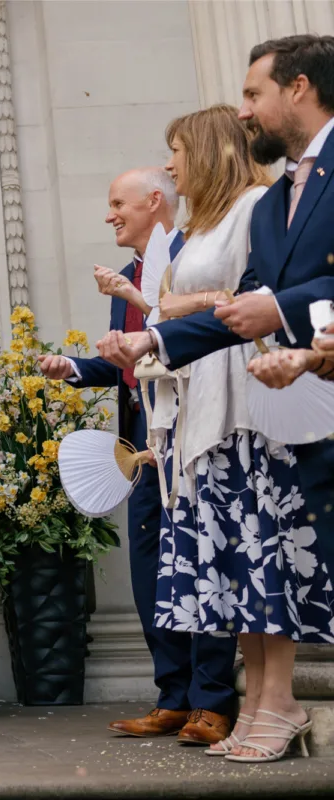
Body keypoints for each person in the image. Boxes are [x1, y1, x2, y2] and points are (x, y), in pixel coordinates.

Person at [101, 35, 334, 565]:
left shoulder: (259, 201)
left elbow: (264, 300)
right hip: (275, 404)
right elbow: (251, 299)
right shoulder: (274, 201)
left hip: (266, 403)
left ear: (298, 88)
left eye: (253, 95)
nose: (243, 111)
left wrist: (275, 311)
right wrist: (153, 337)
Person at [153, 105, 331, 764]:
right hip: (208, 401)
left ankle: (279, 697)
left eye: (177, 150)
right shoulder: (199, 225)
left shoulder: (257, 206)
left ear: (207, 152)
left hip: (254, 398)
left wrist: (190, 305)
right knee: (235, 564)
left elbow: (260, 296)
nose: (169, 165)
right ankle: (256, 699)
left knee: (265, 554)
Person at [39, 168, 238, 745]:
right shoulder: (127, 275)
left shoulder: (191, 262)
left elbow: (194, 339)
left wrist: (140, 305)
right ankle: (172, 698)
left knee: (200, 567)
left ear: (154, 201)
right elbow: (132, 363)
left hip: (194, 437)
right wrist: (75, 368)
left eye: (117, 203)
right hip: (143, 447)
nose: (110, 215)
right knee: (152, 575)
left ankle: (212, 702)